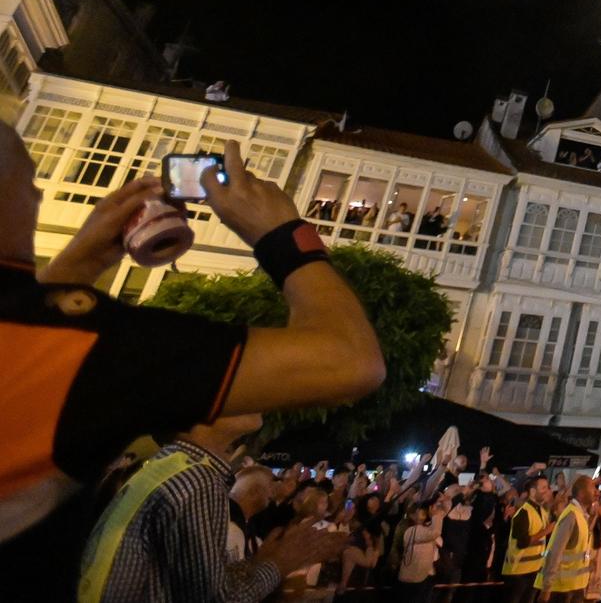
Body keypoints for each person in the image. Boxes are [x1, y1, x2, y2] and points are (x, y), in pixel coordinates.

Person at [0, 126, 385, 543]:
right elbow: (350, 359)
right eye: (30, 183)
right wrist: (284, 236)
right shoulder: (97, 348)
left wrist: (77, 267)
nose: (39, 197)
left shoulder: (42, 339)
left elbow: (33, 353)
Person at [75, 413, 346, 602]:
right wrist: (281, 562)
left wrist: (258, 563)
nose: (261, 394)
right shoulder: (198, 479)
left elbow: (193, 584)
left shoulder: (171, 466)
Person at [539, 475, 597, 603]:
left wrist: (588, 563)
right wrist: (547, 587)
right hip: (561, 589)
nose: (596, 491)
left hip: (573, 587)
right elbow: (556, 552)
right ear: (581, 493)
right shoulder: (571, 516)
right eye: (593, 487)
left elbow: (580, 550)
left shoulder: (580, 516)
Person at [502, 472, 556, 602]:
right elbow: (522, 542)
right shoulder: (523, 512)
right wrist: (545, 531)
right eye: (543, 488)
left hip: (534, 569)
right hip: (518, 572)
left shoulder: (542, 511)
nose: (547, 491)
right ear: (532, 491)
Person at [399, 499, 443, 602]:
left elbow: (440, 517)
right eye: (418, 510)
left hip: (424, 575)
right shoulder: (411, 530)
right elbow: (435, 532)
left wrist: (444, 504)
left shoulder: (426, 528)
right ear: (411, 515)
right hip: (414, 578)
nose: (422, 511)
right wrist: (435, 516)